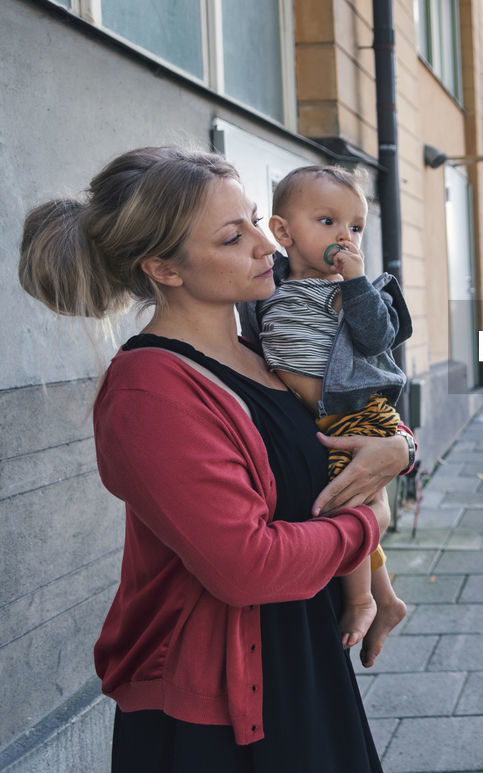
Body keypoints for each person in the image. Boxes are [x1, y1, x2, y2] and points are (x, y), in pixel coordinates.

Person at [18, 146, 416, 772]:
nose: (266, 244)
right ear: (163, 268)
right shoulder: (150, 392)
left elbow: (353, 410)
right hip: (219, 711)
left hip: (302, 655)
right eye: (234, 237)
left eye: (257, 219)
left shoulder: (262, 346)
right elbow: (247, 567)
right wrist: (370, 523)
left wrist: (400, 448)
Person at [237, 165, 410, 668]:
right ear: (284, 233)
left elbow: (380, 339)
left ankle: (363, 600)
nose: (344, 236)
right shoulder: (267, 292)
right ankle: (386, 598)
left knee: (341, 504)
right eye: (328, 220)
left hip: (354, 411)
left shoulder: (348, 292)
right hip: (321, 418)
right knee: (351, 497)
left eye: (355, 227)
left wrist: (357, 284)